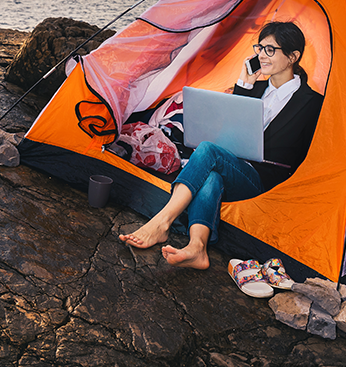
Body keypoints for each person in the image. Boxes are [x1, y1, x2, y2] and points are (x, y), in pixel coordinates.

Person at [118, 21, 324, 270]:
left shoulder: (311, 102)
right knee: (212, 176)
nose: (261, 55)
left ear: (293, 56)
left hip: (266, 179)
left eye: (270, 50)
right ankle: (198, 247)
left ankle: (162, 222)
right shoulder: (254, 87)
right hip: (234, 169)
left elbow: (308, 155)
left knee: (208, 150)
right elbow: (231, 131)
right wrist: (244, 84)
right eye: (260, 47)